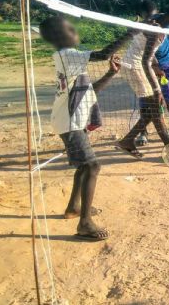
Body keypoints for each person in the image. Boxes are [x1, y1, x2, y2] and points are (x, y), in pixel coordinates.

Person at [39, 15, 135, 240]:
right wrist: (131, 32)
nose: (75, 31)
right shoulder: (68, 55)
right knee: (92, 166)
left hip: (72, 119)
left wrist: (111, 73)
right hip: (69, 121)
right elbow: (102, 54)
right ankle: (85, 223)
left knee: (84, 167)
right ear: (59, 36)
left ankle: (75, 207)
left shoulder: (69, 59)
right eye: (69, 29)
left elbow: (89, 91)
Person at [117, 1, 169, 159]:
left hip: (138, 65)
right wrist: (156, 86)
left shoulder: (159, 19)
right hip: (135, 67)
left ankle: (127, 141)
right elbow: (146, 60)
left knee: (150, 111)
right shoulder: (158, 29)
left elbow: (142, 46)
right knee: (156, 108)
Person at [134, 1, 169, 146]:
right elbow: (142, 52)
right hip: (146, 67)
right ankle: (143, 132)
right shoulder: (140, 28)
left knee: (167, 96)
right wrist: (153, 66)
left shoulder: (165, 25)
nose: (153, 20)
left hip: (166, 66)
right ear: (143, 16)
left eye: (155, 16)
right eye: (149, 17)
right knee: (144, 98)